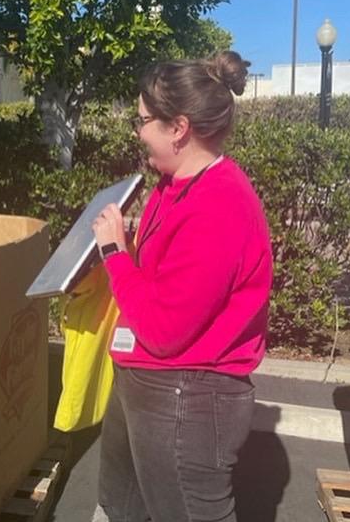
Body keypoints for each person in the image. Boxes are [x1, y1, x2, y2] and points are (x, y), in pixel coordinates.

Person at [91, 51, 273, 522]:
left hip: (187, 396)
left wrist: (114, 254)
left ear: (179, 127)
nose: (137, 131)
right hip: (144, 380)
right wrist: (127, 251)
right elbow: (159, 284)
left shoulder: (220, 205)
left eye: (143, 120)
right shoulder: (172, 184)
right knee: (122, 506)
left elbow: (163, 328)